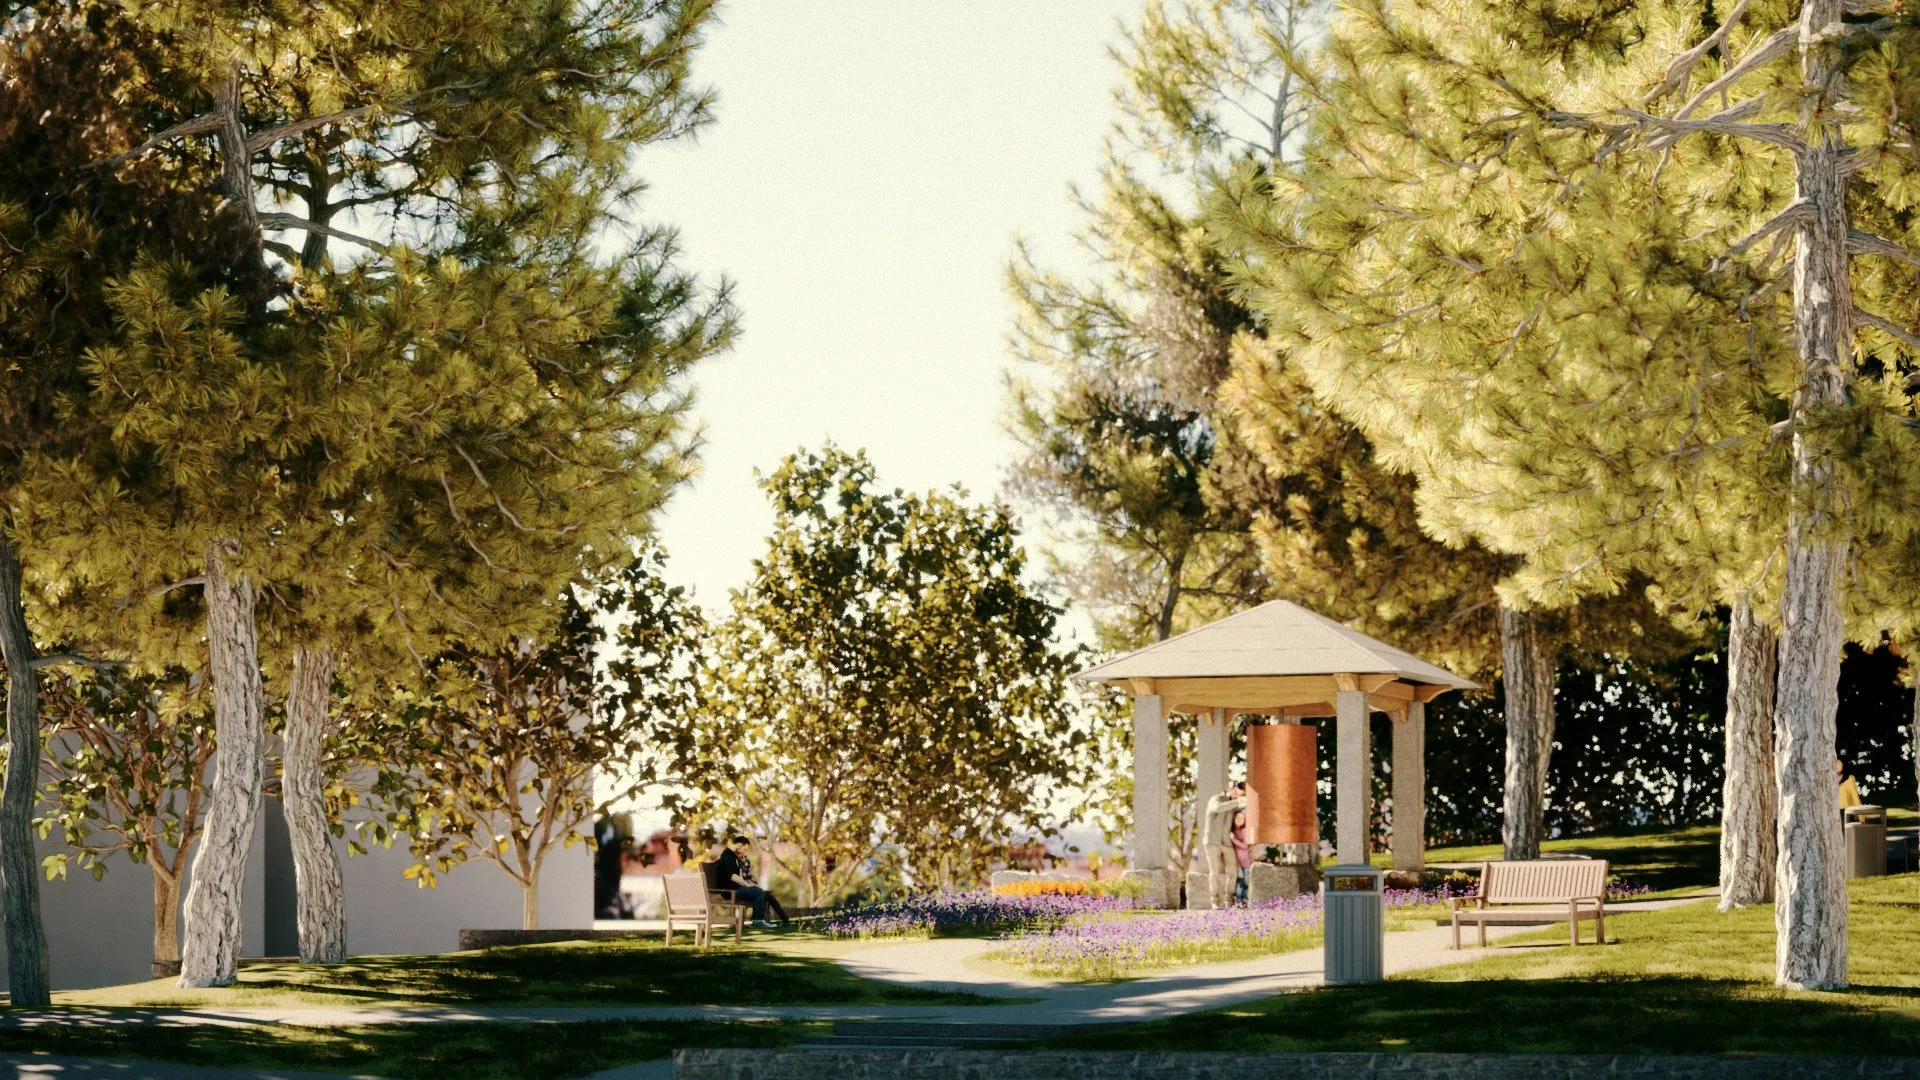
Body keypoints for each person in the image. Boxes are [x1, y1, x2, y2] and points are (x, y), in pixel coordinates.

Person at [715, 835, 788, 927]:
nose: (745, 852)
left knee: (765, 894)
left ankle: (784, 921)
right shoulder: (728, 856)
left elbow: (742, 873)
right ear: (738, 845)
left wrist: (750, 884)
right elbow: (733, 876)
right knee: (759, 893)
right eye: (744, 849)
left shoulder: (732, 856)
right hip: (731, 892)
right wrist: (747, 885)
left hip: (735, 889)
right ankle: (758, 921)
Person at [1202, 782, 1246, 909]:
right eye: (1237, 792)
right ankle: (1215, 901)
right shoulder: (1216, 799)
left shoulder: (1234, 804)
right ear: (1233, 788)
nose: (1237, 796)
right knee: (1215, 872)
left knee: (1233, 872)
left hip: (1227, 843)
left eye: (1240, 795)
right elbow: (1218, 808)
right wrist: (1238, 802)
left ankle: (1229, 900)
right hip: (1212, 842)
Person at [1230, 809, 1252, 904]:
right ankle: (1238, 900)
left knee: (1245, 882)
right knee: (1239, 882)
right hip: (1238, 862)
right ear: (1234, 819)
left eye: (1242, 818)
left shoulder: (1244, 830)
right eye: (1238, 817)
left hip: (1246, 861)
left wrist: (1234, 839)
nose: (1240, 819)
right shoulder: (1233, 830)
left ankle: (1244, 900)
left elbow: (1245, 846)